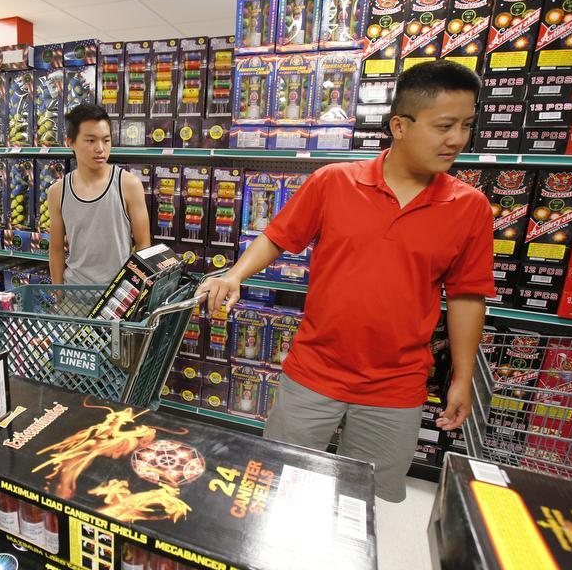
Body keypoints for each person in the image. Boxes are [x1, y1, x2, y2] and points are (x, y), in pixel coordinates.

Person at [198, 60, 495, 502]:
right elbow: (278, 236)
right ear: (399, 125)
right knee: (276, 488)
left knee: (367, 502)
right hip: (312, 374)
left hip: (397, 387)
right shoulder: (334, 182)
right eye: (444, 126)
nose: (456, 139)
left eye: (466, 126)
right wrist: (236, 274)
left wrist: (462, 378)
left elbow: (468, 296)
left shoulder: (470, 207)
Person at [47, 103, 151, 285]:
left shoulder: (128, 185)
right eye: (90, 140)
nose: (100, 148)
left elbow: (143, 246)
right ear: (70, 142)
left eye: (106, 140)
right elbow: (56, 249)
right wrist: (58, 291)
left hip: (118, 297)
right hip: (74, 294)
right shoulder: (58, 192)